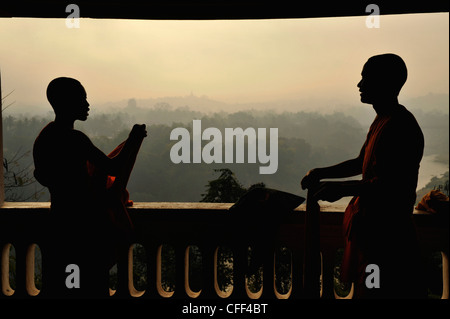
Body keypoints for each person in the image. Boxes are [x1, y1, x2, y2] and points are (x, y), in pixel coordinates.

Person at [301, 54, 426, 299]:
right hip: (372, 236)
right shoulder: (382, 119)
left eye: (365, 78)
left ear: (386, 83)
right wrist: (322, 173)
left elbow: (391, 186)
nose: (359, 85)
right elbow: (362, 163)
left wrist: (343, 189)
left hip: (389, 240)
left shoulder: (401, 126)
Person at [33, 77, 147, 298]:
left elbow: (44, 176)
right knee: (90, 286)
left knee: (69, 286)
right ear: (65, 103)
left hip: (61, 221)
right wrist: (132, 141)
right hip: (84, 228)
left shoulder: (46, 137)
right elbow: (112, 167)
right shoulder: (74, 139)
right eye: (81, 98)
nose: (87, 104)